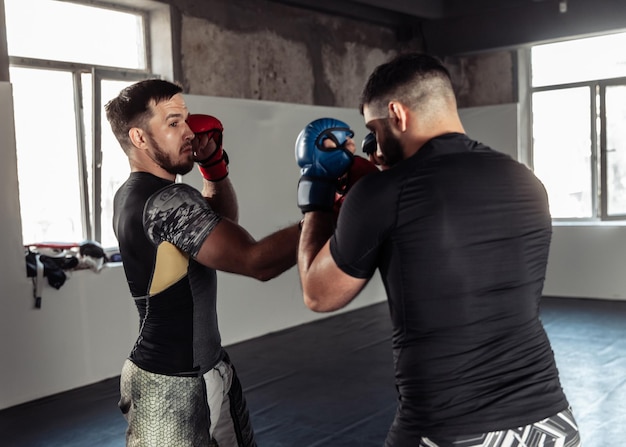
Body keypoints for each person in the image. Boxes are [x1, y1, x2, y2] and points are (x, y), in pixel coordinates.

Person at [294, 53, 581, 447]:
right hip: (550, 423)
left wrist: (316, 198)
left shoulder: (382, 193)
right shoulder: (525, 180)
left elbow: (318, 293)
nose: (372, 144)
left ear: (397, 113)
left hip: (453, 430)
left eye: (374, 129)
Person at [105, 78, 300, 447]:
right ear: (140, 138)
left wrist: (213, 169)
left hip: (209, 368)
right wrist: (330, 213)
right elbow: (255, 262)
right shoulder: (167, 201)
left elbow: (220, 228)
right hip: (167, 387)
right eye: (174, 122)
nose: (191, 131)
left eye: (188, 119)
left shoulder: (137, 194)